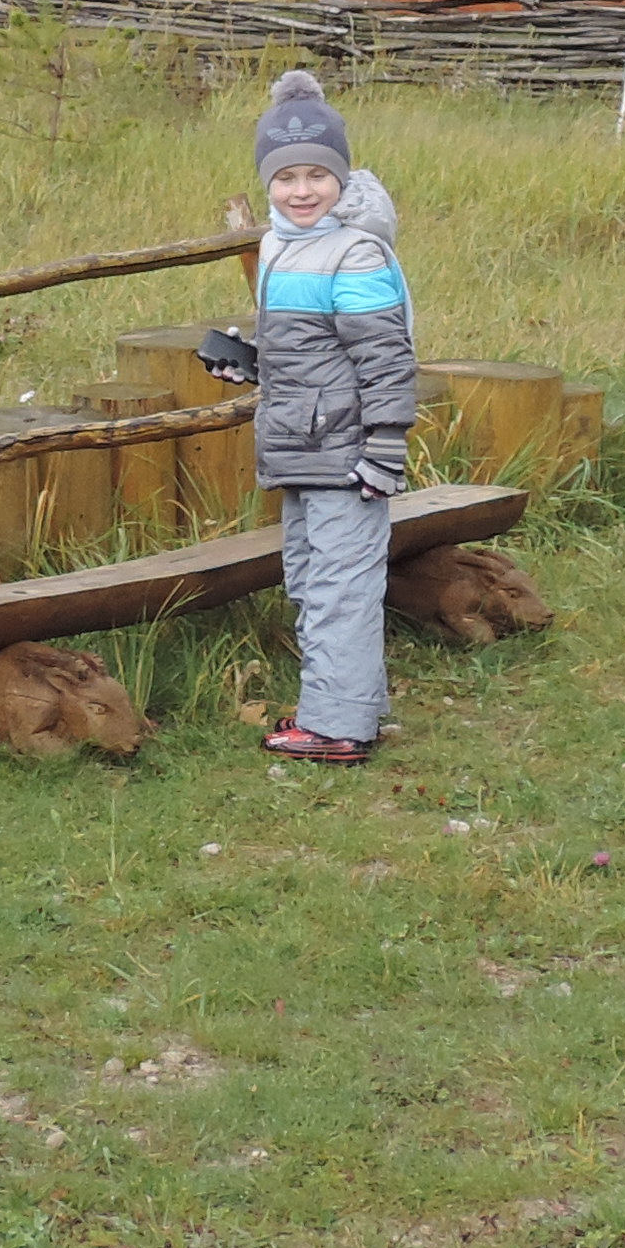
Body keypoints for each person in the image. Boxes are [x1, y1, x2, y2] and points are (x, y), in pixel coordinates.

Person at [240, 66, 411, 761]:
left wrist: (386, 447)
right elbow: (310, 350)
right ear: (267, 182)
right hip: (302, 446)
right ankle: (346, 705)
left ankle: (337, 728)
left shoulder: (355, 252)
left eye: (317, 175)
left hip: (348, 454)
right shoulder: (280, 244)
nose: (302, 190)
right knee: (313, 580)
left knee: (342, 586)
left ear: (341, 177)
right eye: (286, 177)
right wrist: (250, 363)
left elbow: (385, 359)